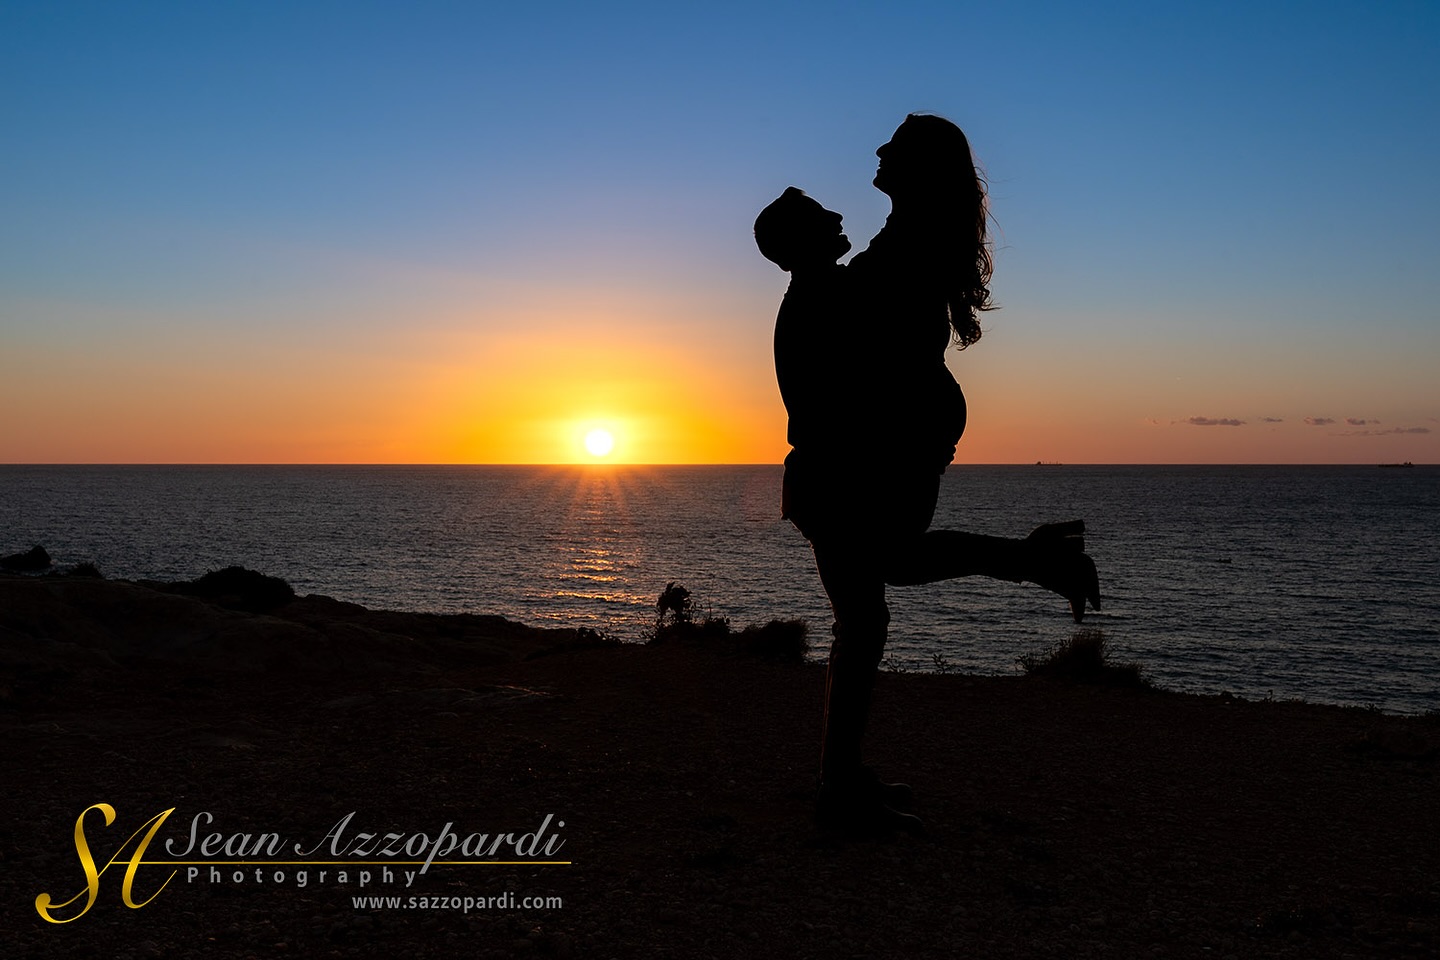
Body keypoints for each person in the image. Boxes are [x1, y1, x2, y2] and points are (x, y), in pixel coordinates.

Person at [755, 118, 1101, 836]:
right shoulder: (858, 270)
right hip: (851, 468)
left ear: (919, 168)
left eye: (893, 147)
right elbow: (835, 378)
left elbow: (875, 355)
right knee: (877, 598)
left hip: (869, 464)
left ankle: (841, 782)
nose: (876, 154)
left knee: (876, 598)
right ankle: (841, 786)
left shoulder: (900, 248)